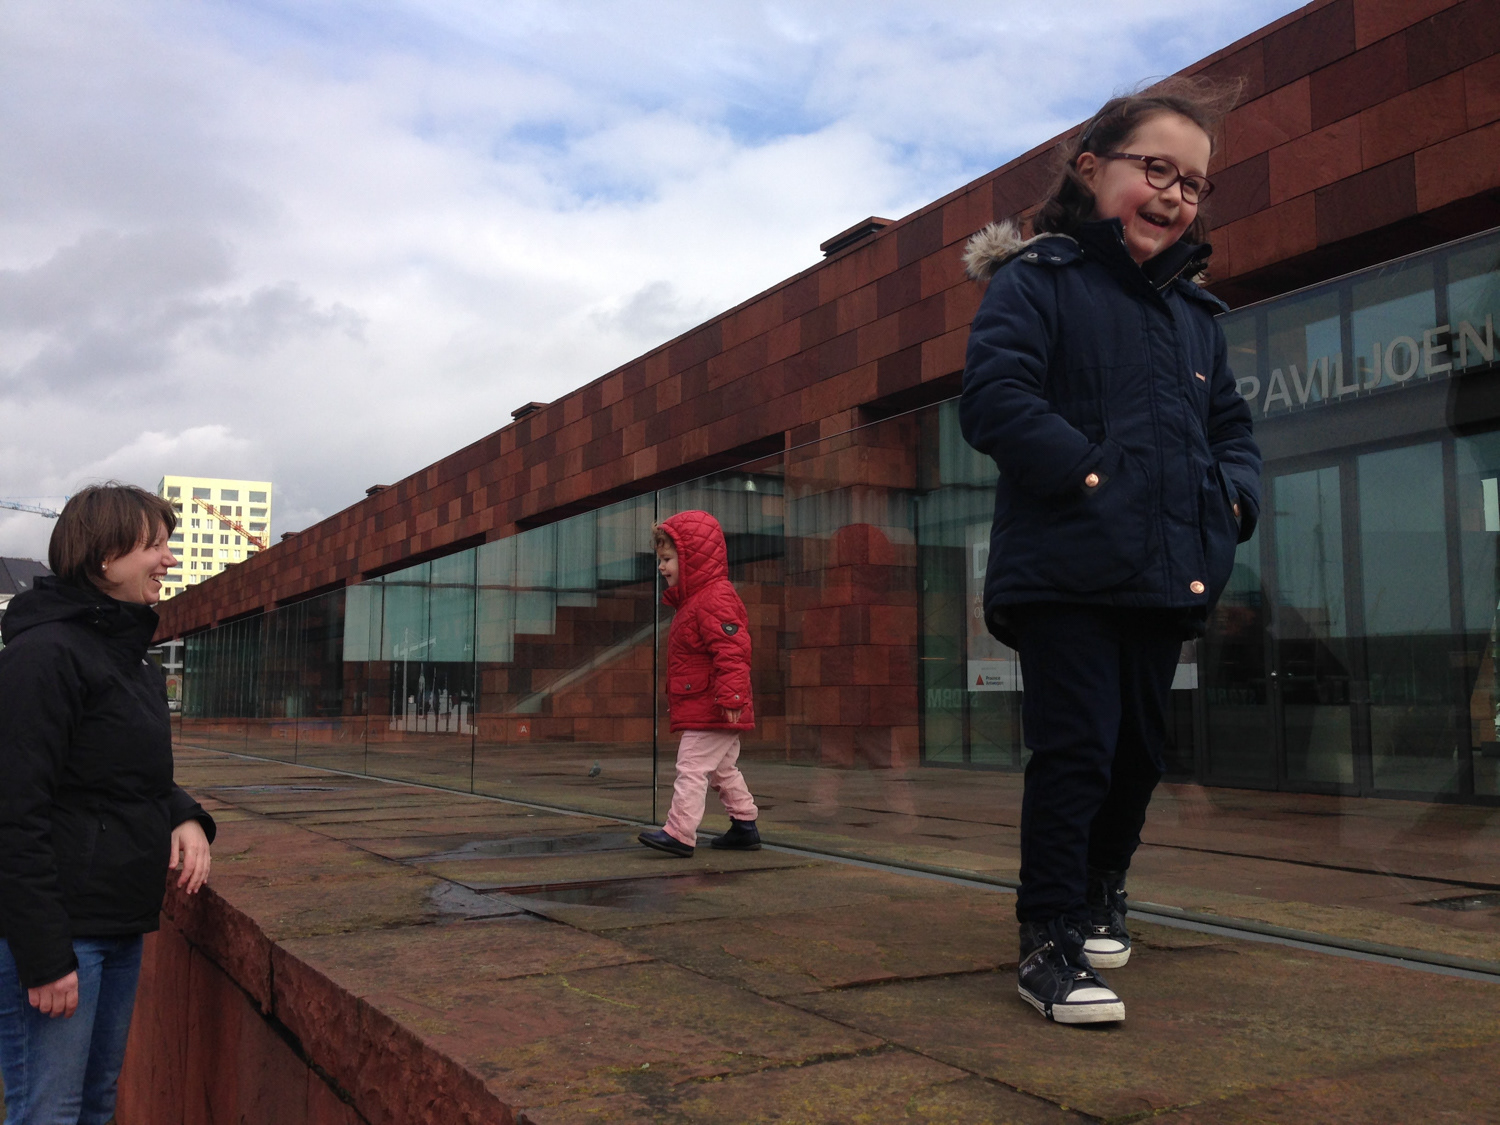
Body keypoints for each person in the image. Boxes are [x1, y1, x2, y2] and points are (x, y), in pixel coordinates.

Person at [959, 78, 1261, 1025]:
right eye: (1156, 169)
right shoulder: (1037, 281)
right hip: (1065, 565)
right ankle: (1048, 936)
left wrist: (1233, 502)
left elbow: (1233, 432)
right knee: (1078, 748)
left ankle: (1100, 890)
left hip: (1165, 568)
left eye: (1194, 183)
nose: (1175, 195)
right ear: (1092, 170)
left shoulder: (1195, 318)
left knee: (1137, 751)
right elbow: (996, 398)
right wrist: (1093, 477)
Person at [0, 483, 215, 1122]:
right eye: (156, 546)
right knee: (50, 1111)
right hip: (62, 935)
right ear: (104, 557)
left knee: (94, 1104)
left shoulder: (128, 657)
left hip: (117, 922)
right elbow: (13, 811)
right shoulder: (44, 655)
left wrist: (184, 813)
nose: (169, 560)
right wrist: (45, 957)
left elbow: (121, 769)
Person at [638, 511, 760, 858]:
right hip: (712, 702)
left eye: (667, 559)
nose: (661, 567)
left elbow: (732, 650)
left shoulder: (713, 598)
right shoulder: (695, 601)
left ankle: (679, 832)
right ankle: (745, 825)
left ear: (691, 559)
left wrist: (732, 696)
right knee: (722, 770)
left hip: (715, 705)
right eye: (660, 560)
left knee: (691, 767)